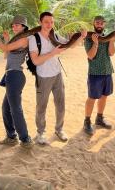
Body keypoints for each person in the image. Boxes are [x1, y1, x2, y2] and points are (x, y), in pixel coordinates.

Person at [29, 11, 87, 145]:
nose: (49, 24)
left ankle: (59, 129)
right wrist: (53, 53)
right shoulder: (34, 39)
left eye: (51, 22)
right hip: (43, 76)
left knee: (60, 104)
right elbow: (36, 61)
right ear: (40, 23)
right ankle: (41, 133)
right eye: (46, 22)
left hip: (57, 74)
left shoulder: (55, 35)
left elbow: (69, 46)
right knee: (41, 106)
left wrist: (81, 37)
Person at [0, 15, 33, 147]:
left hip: (15, 75)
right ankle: (11, 136)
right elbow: (5, 55)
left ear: (24, 27)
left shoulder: (25, 38)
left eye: (17, 25)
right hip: (10, 75)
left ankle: (25, 139)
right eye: (13, 25)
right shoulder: (16, 40)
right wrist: (7, 40)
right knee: (6, 108)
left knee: (15, 109)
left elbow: (5, 49)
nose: (14, 27)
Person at [83, 15, 115, 135]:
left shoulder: (108, 36)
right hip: (94, 73)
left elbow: (111, 53)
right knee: (92, 97)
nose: (99, 24)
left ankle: (99, 118)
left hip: (107, 71)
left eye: (101, 23)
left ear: (104, 24)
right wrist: (96, 43)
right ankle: (87, 121)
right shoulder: (88, 37)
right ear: (93, 24)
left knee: (104, 96)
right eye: (97, 22)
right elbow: (90, 56)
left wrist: (112, 40)